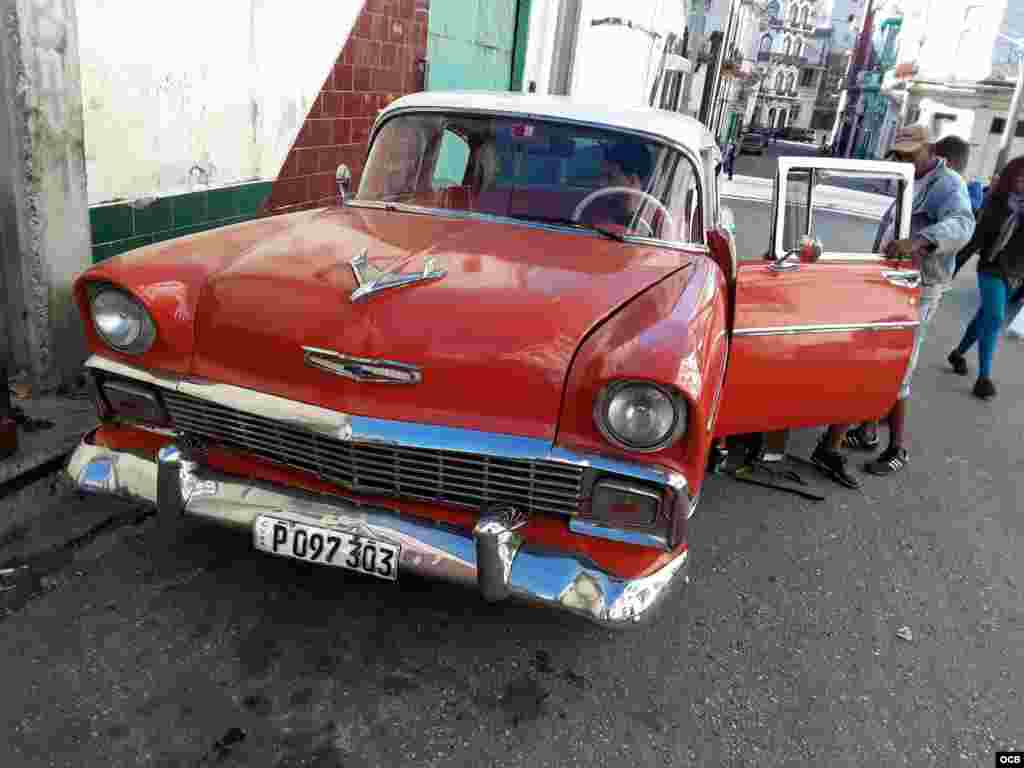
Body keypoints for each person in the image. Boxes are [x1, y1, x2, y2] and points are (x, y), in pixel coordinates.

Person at [810, 124, 975, 486]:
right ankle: (864, 431)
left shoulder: (948, 185)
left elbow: (963, 225)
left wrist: (919, 241)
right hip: (890, 280)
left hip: (920, 284)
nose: (904, 161)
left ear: (929, 149)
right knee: (875, 361)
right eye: (899, 156)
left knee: (894, 368)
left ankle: (894, 447)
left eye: (910, 155)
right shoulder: (907, 177)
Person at [947, 155, 1024, 399]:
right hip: (991, 266)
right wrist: (951, 270)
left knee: (984, 316)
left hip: (1015, 273)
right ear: (1011, 179)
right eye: (1022, 179)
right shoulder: (996, 204)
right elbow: (974, 240)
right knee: (994, 316)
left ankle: (958, 353)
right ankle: (984, 378)